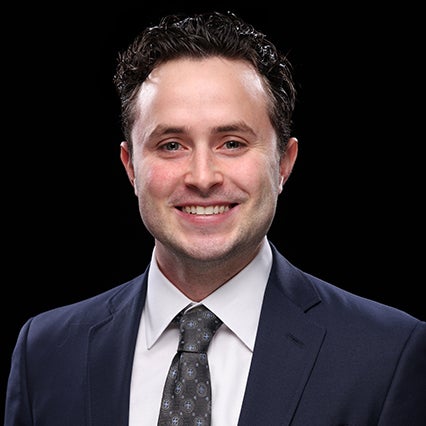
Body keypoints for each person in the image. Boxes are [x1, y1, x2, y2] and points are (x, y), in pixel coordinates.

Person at [4, 10, 426, 426]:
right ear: (131, 167)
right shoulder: (45, 353)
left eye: (232, 143)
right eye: (171, 145)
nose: (203, 177)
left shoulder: (388, 355)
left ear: (284, 163)